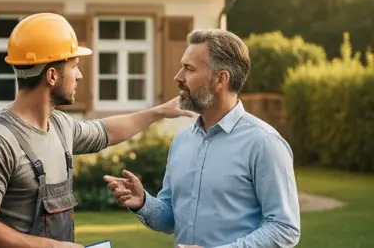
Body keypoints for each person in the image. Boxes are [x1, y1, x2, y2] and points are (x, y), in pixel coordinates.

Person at [0, 13, 196, 248]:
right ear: (51, 75)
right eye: (74, 66)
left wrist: (159, 112)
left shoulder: (60, 126)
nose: (80, 75)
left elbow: (107, 131)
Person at [104, 28, 301, 248]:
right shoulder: (182, 141)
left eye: (189, 69)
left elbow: (284, 228)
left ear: (220, 79)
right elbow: (172, 219)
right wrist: (143, 203)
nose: (178, 77)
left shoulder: (264, 143)